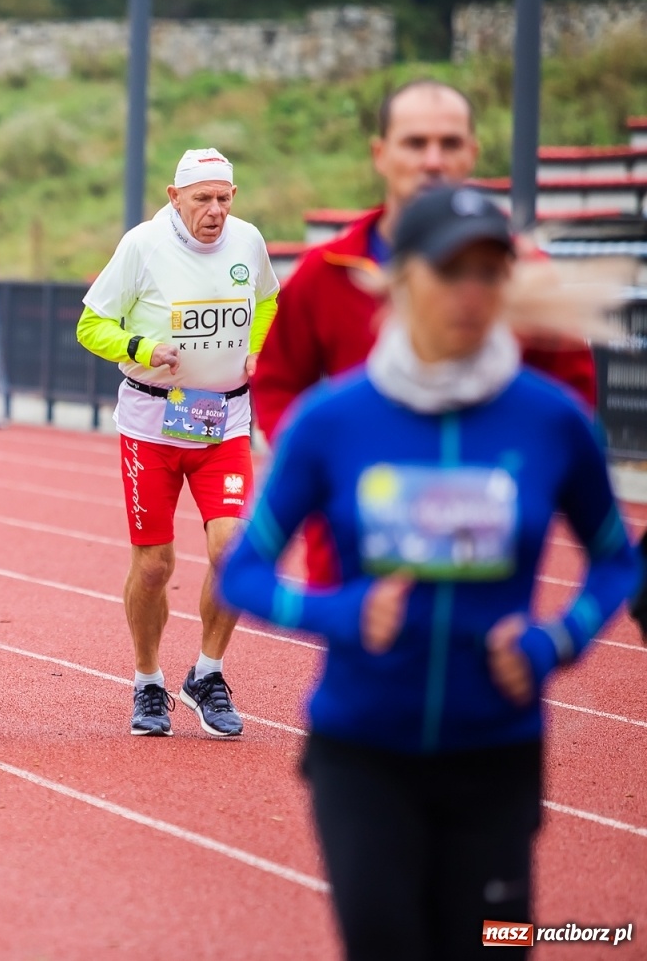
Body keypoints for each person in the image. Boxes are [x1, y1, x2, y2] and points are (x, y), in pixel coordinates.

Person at [219, 185, 639, 961]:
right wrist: (341, 614)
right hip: (363, 753)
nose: (472, 293)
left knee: (491, 949)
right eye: (452, 271)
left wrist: (558, 641)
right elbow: (240, 574)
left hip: (498, 754)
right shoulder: (332, 421)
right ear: (402, 277)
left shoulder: (550, 420)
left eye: (491, 271)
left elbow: (617, 561)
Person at [254, 80, 598, 589]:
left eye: (450, 143)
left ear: (473, 154)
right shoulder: (326, 273)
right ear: (381, 154)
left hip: (482, 558)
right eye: (415, 143)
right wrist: (325, 468)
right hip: (358, 562)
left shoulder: (526, 275)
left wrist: (519, 481)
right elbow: (278, 381)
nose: (433, 161)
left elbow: (572, 404)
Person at [76, 148, 278, 739]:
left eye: (224, 198)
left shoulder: (248, 242)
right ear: (174, 197)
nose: (215, 211)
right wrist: (141, 350)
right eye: (202, 200)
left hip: (224, 421)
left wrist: (257, 350)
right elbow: (92, 324)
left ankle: (208, 673)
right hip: (151, 425)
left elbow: (267, 300)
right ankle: (147, 681)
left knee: (232, 551)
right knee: (155, 564)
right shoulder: (142, 246)